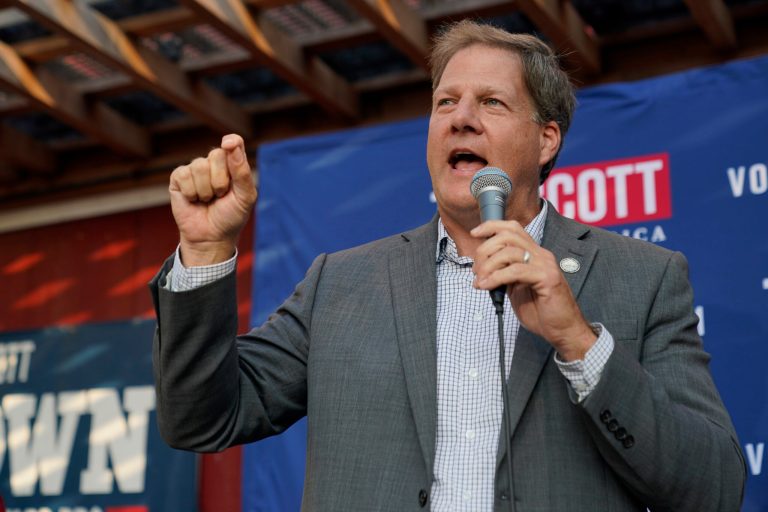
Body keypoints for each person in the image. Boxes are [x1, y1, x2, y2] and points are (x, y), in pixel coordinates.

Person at [150, 20, 745, 512]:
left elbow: (714, 489)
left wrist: (578, 342)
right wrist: (204, 252)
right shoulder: (342, 281)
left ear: (546, 140)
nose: (460, 119)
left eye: (491, 102)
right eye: (445, 103)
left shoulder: (645, 277)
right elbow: (201, 421)